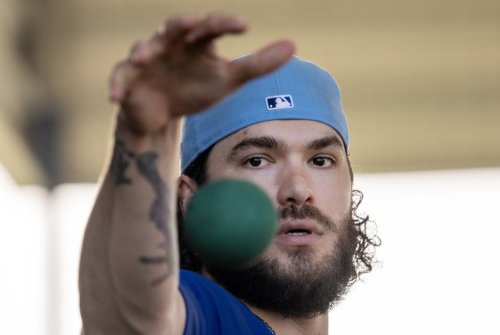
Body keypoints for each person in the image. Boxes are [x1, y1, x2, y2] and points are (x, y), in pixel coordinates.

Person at [79, 13, 379, 335]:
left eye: (320, 160)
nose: (297, 188)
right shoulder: (199, 314)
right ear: (190, 199)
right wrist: (143, 139)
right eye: (257, 161)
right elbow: (130, 314)